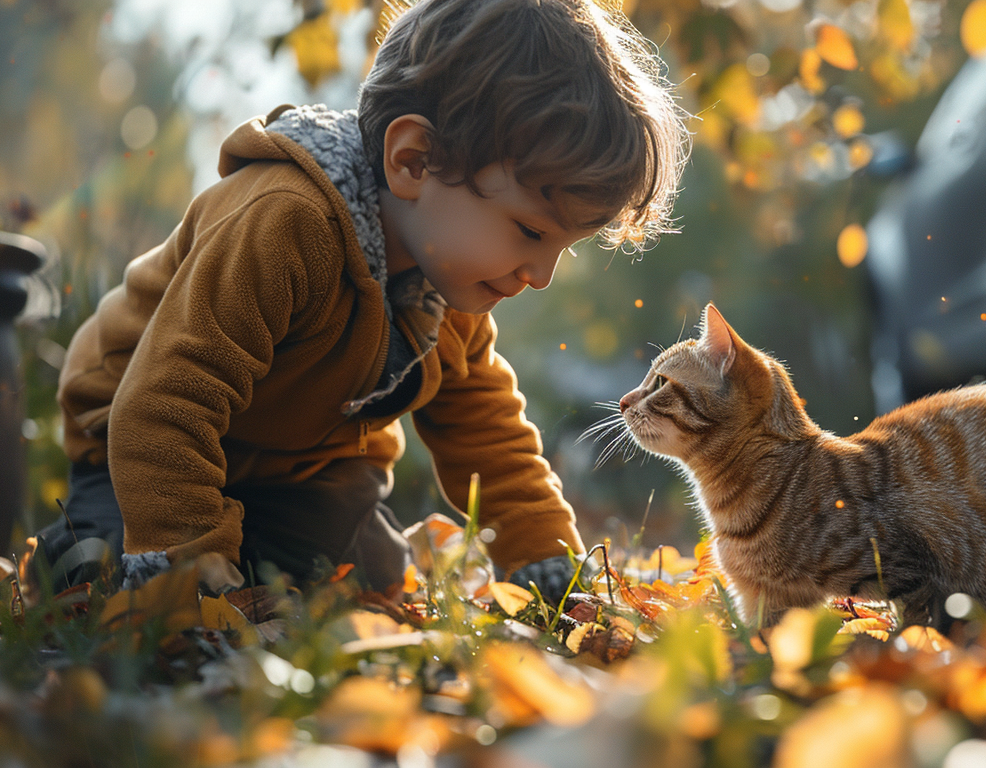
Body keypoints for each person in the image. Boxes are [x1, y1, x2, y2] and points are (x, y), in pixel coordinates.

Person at [38, 0, 687, 598]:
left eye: (563, 248)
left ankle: (263, 558)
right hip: (137, 438)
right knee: (113, 571)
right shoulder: (285, 221)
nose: (541, 273)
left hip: (292, 467)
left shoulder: (451, 295)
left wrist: (547, 566)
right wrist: (189, 573)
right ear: (413, 160)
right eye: (529, 232)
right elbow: (166, 404)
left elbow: (487, 434)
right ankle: (93, 550)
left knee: (368, 581)